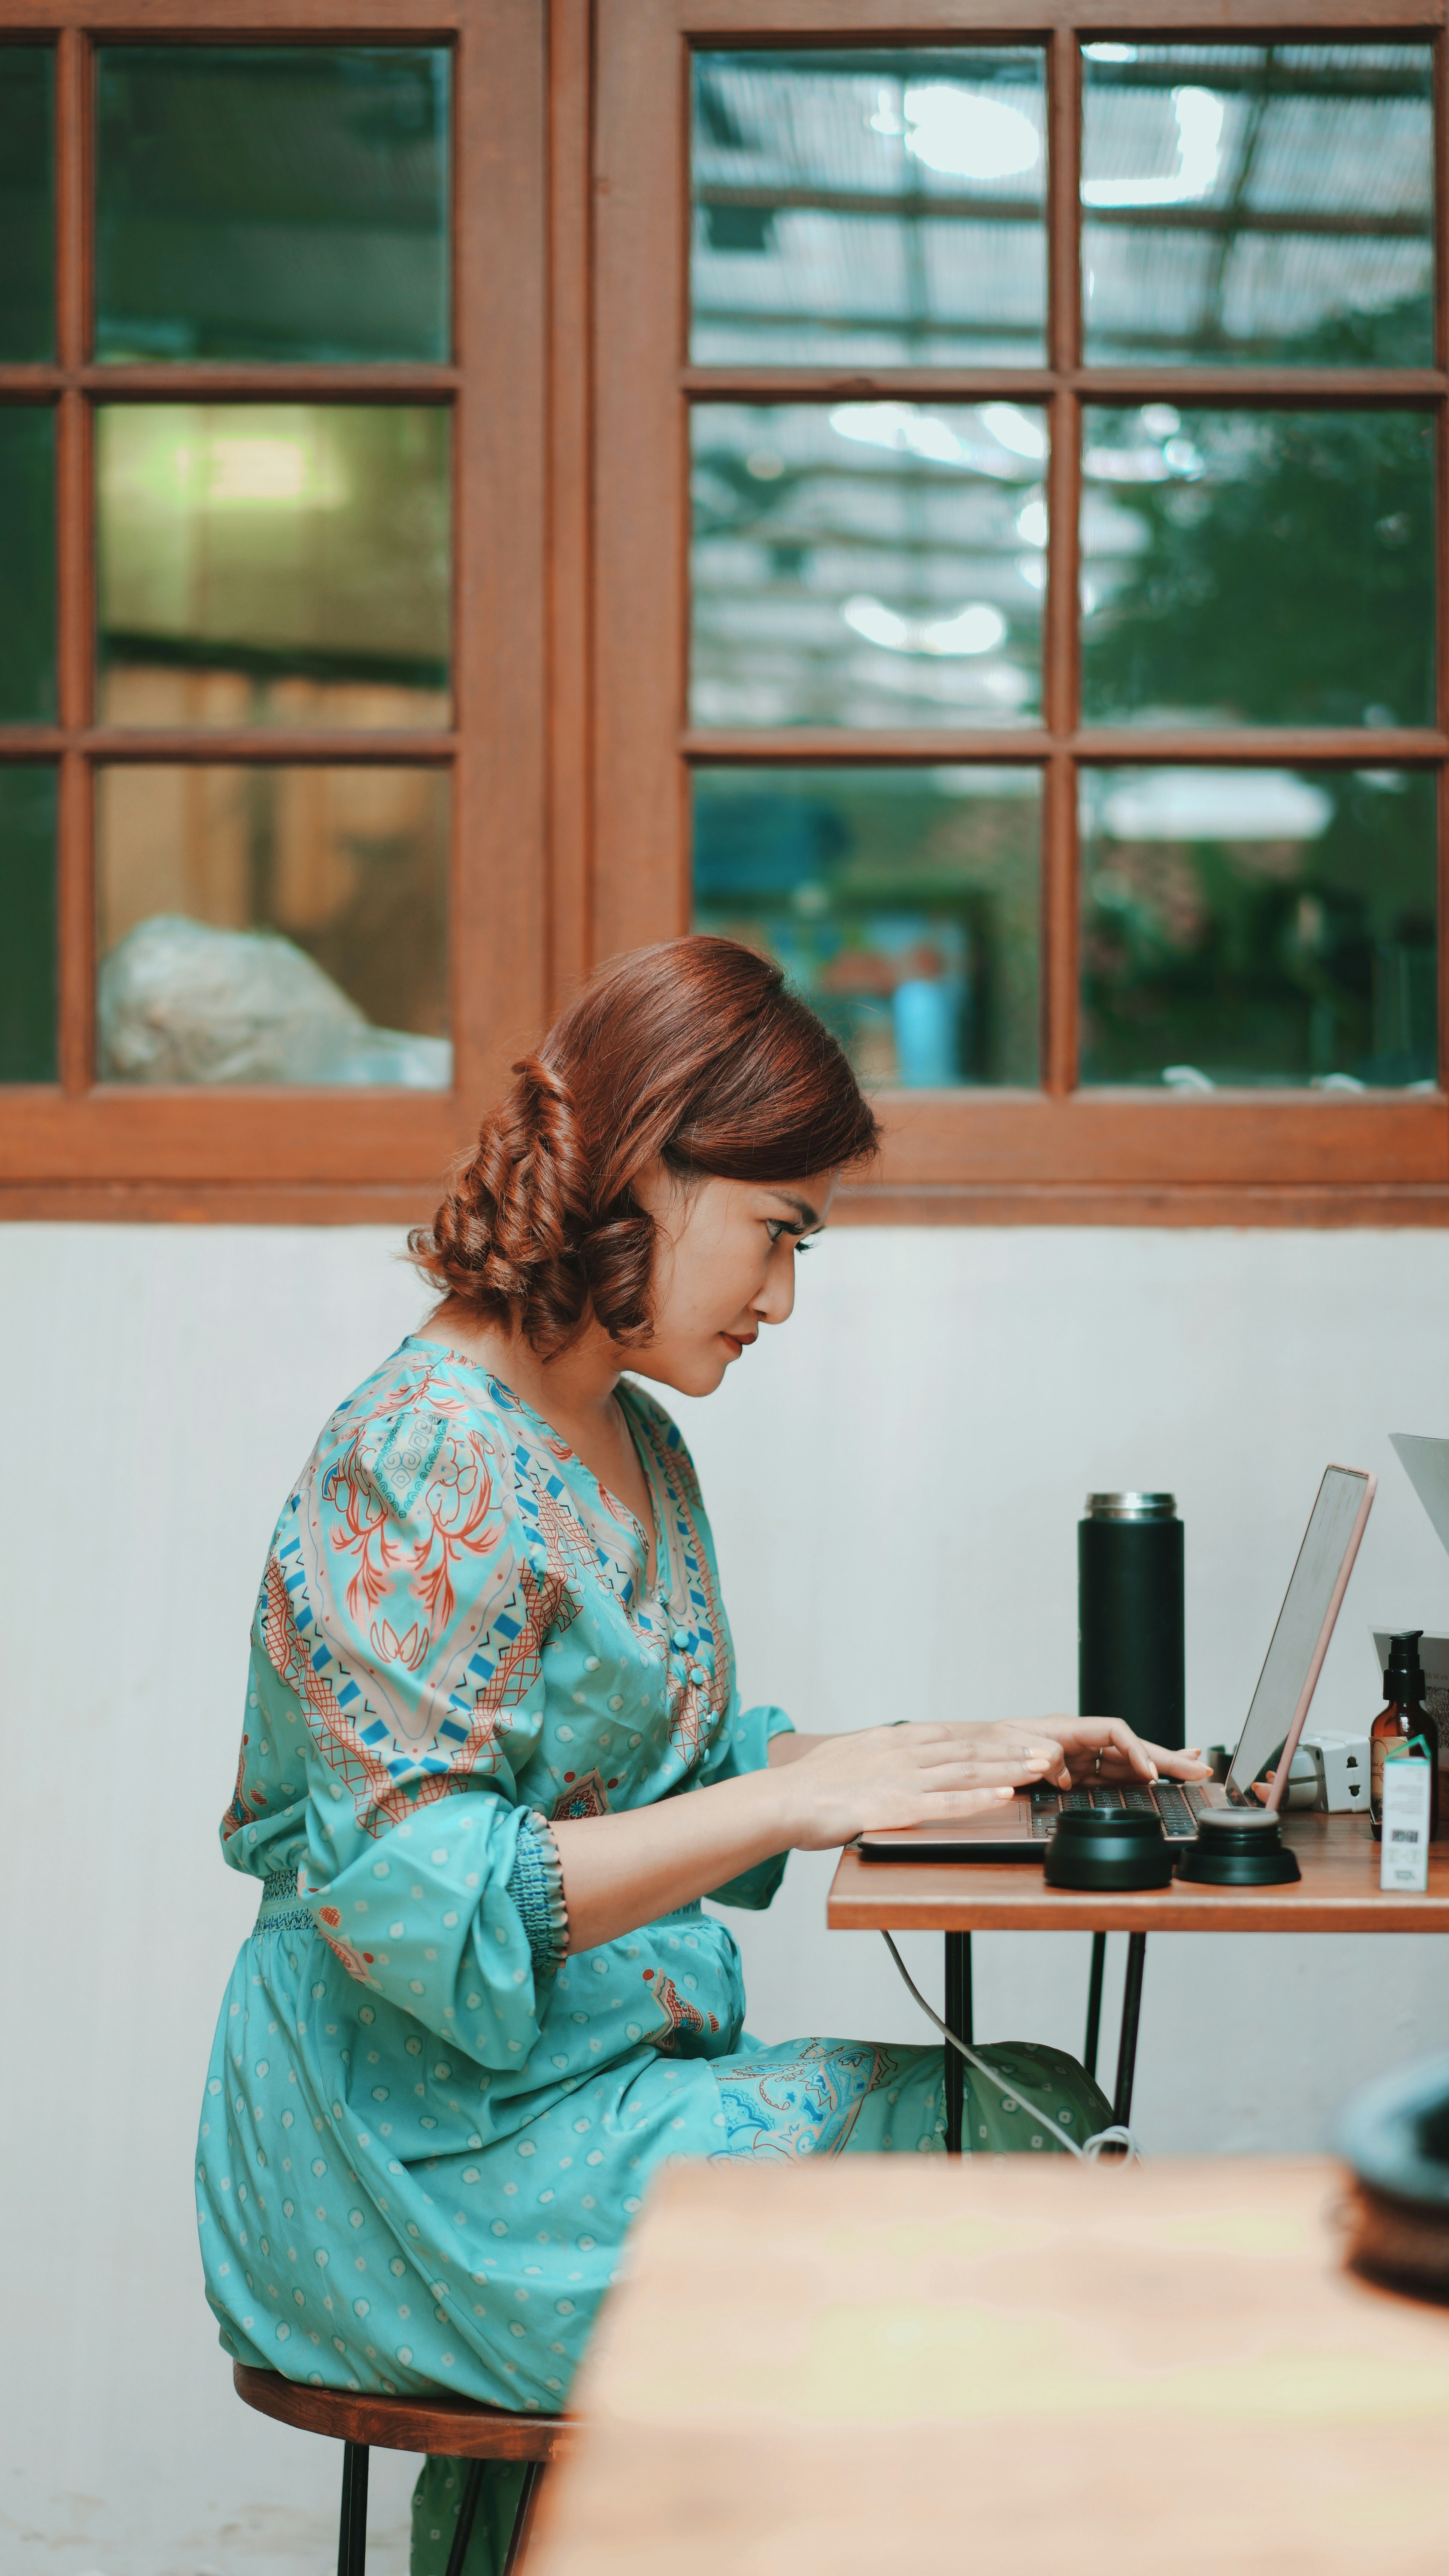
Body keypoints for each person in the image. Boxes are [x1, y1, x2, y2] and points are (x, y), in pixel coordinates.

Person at [197, 937, 1206, 2572]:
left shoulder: (636, 1436)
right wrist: (801, 1797)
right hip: (421, 2164)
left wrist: (955, 1754)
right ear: (648, 1168)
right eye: (780, 1234)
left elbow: (653, 1767)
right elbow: (415, 1893)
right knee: (1019, 2166)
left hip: (575, 2105)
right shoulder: (418, 1459)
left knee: (1039, 2119)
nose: (787, 1299)